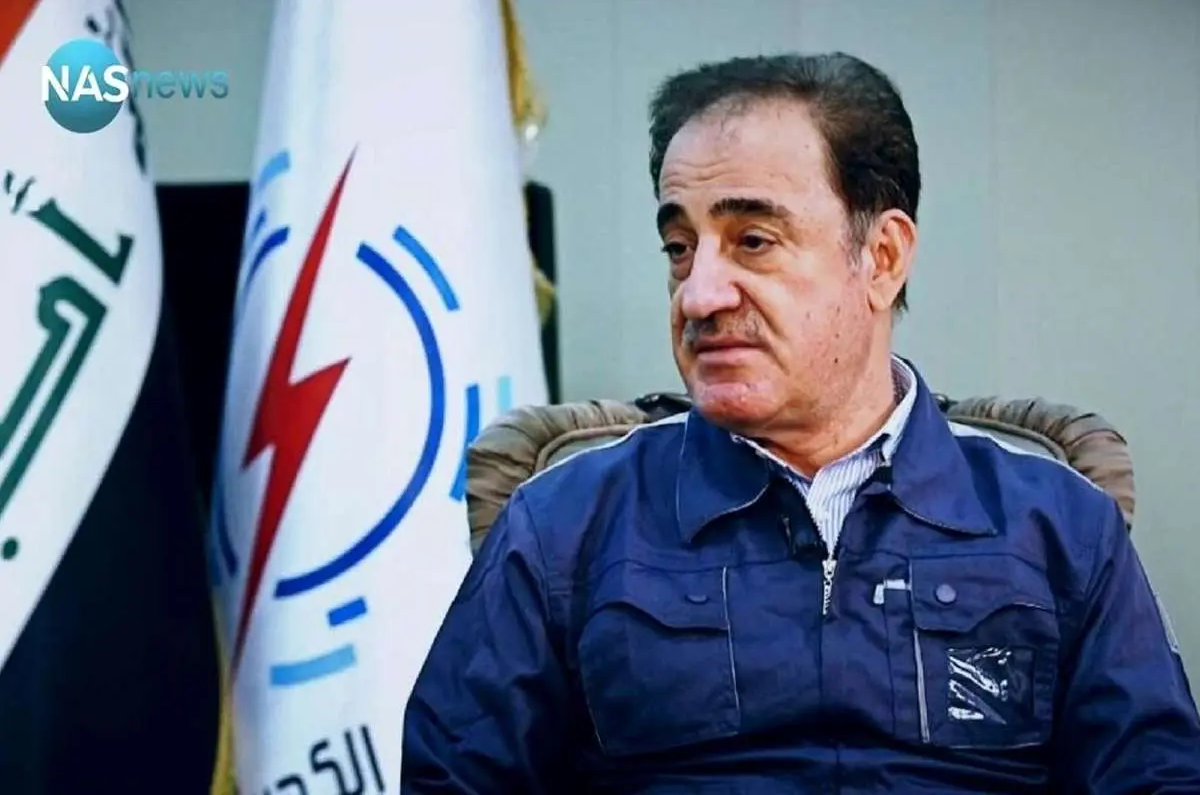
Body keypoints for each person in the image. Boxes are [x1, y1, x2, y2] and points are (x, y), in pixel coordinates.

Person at [400, 52, 1200, 793]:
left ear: (882, 258)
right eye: (679, 248)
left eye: (752, 240)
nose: (698, 294)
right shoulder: (565, 527)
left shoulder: (1057, 527)